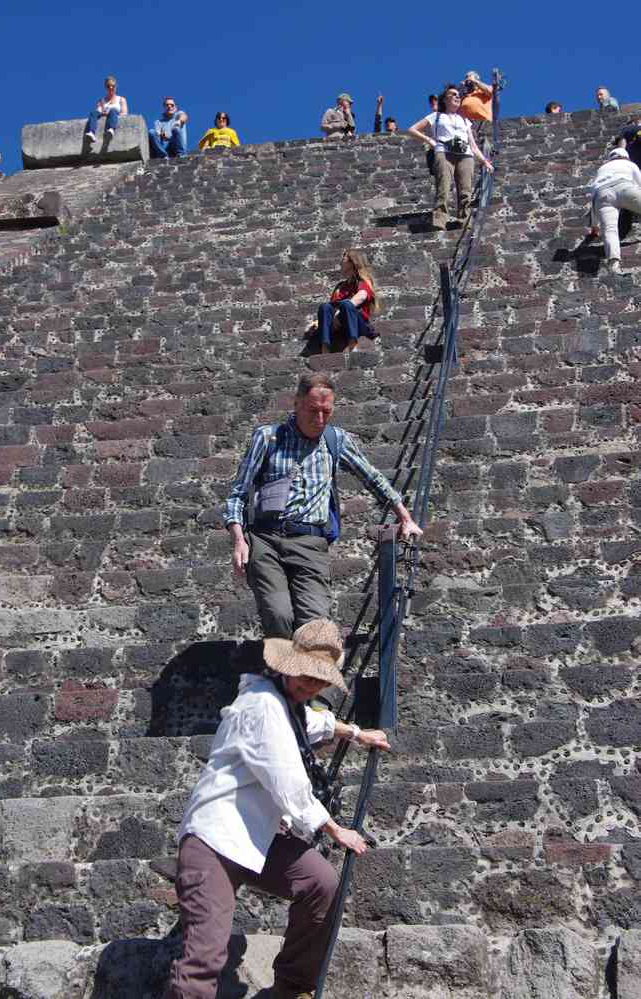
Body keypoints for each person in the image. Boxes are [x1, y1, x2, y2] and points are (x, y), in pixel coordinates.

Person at [166, 617, 392, 999]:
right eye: (304, 675)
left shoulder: (288, 703)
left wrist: (356, 733)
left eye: (319, 680)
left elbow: (315, 722)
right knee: (204, 957)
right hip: (214, 840)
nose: (310, 685)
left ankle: (292, 988)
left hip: (259, 836)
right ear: (287, 666)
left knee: (319, 883)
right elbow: (287, 779)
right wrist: (335, 830)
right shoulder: (261, 706)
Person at [224, 371, 423, 639]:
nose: (319, 419)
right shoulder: (267, 437)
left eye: (326, 412)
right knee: (279, 615)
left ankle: (304, 676)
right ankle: (283, 676)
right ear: (296, 403)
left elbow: (372, 477)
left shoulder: (335, 440)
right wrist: (239, 540)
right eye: (312, 410)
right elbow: (238, 493)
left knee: (315, 626)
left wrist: (405, 517)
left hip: (310, 542)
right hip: (266, 540)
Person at [407, 83, 493, 230]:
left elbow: (472, 145)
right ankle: (439, 221)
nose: (457, 96)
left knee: (466, 190)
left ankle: (464, 221)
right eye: (452, 94)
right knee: (443, 187)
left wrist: (485, 161)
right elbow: (412, 129)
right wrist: (430, 141)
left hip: (465, 155)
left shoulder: (465, 120)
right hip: (444, 152)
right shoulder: (436, 116)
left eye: (458, 95)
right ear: (444, 100)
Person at [588, 147, 641, 274]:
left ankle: (614, 265)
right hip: (625, 187)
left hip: (602, 194)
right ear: (626, 156)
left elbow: (593, 199)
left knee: (610, 229)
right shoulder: (629, 164)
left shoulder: (601, 169)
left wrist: (594, 226)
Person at [316, 249, 377, 353]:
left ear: (352, 261)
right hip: (338, 324)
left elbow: (362, 296)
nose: (341, 260)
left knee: (347, 304)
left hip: (357, 324)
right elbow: (330, 308)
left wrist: (339, 312)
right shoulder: (340, 286)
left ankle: (353, 345)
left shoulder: (363, 281)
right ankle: (325, 347)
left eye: (344, 256)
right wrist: (317, 322)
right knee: (325, 306)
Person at [85, 76, 128, 142]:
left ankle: (111, 129)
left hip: (114, 116)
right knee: (93, 113)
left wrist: (110, 112)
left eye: (113, 86)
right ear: (105, 87)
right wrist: (103, 113)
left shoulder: (121, 99)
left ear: (116, 87)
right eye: (108, 86)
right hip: (104, 116)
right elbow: (98, 111)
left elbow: (124, 113)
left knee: (113, 110)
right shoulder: (101, 101)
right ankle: (91, 132)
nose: (111, 88)